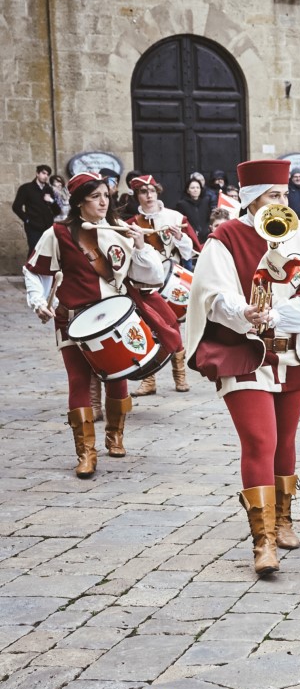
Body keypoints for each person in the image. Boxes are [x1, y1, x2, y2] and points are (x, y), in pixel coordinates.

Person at [185, 160, 300, 577]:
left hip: (292, 353)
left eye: (284, 196)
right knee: (259, 440)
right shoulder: (226, 238)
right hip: (243, 351)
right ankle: (262, 540)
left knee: (285, 441)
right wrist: (245, 312)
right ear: (251, 199)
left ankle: (283, 518)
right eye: (272, 196)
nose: (281, 203)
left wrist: (277, 315)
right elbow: (213, 296)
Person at [22, 172, 181, 478]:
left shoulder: (120, 230)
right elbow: (35, 270)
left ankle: (115, 435)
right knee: (78, 380)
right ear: (80, 201)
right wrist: (39, 302)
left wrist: (141, 246)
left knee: (117, 377)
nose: (103, 201)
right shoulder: (58, 232)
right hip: (73, 318)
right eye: (96, 197)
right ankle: (86, 453)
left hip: (115, 316)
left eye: (106, 196)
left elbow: (152, 278)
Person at [127, 174, 202, 396]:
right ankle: (148, 381)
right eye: (143, 192)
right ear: (137, 195)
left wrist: (180, 238)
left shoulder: (175, 217)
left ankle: (180, 375)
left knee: (171, 326)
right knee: (146, 328)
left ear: (157, 192)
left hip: (170, 280)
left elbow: (192, 251)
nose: (148, 196)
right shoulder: (131, 224)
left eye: (151, 191)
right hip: (143, 282)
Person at [12, 164, 59, 252]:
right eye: (43, 173)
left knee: (48, 253)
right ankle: (29, 266)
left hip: (48, 227)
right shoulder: (26, 188)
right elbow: (16, 207)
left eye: (47, 174)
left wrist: (51, 200)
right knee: (35, 252)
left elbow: (56, 211)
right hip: (33, 227)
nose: (45, 176)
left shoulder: (48, 189)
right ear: (37, 173)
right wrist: (27, 220)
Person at [175, 176, 212, 243]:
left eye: (198, 187)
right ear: (188, 190)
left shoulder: (206, 201)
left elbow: (209, 218)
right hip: (191, 238)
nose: (195, 190)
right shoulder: (182, 204)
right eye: (192, 188)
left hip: (206, 237)